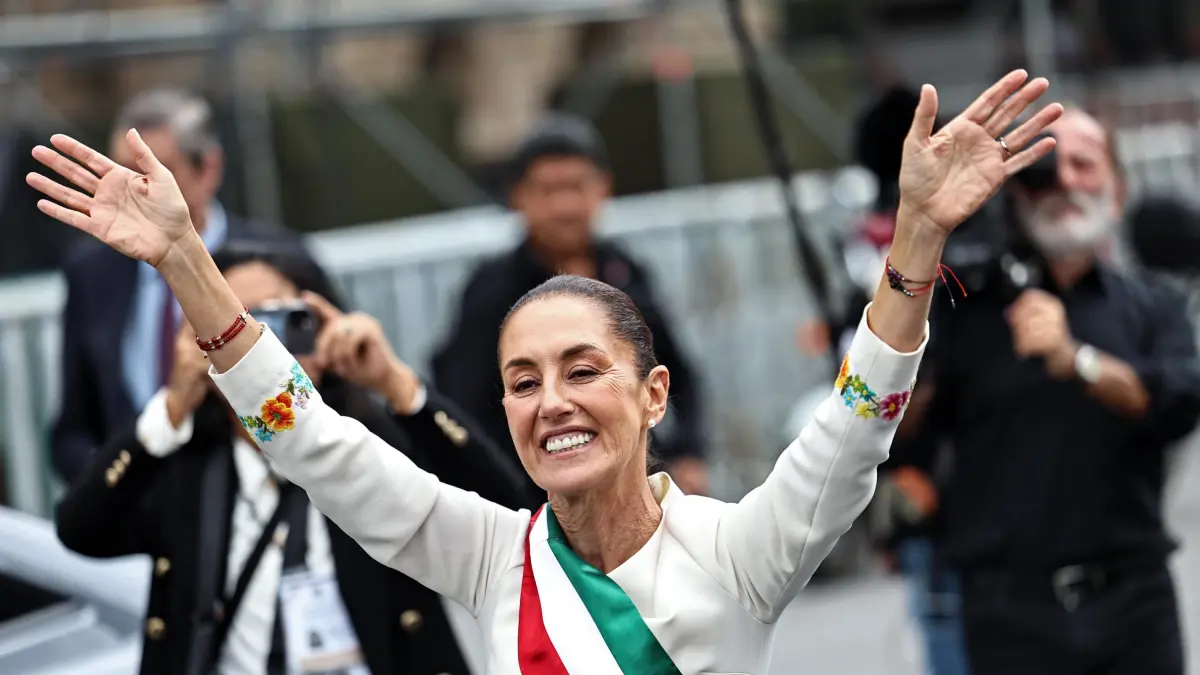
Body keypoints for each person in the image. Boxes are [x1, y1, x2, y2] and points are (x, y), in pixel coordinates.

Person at [27, 70, 1061, 673]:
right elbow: (309, 436)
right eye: (522, 382)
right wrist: (185, 257)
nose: (550, 401)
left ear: (654, 393)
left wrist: (917, 236)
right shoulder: (489, 555)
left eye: (581, 369)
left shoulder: (743, 547)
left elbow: (857, 419)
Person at [55, 245, 532, 675]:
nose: (254, 345)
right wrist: (172, 408)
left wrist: (394, 384)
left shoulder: (372, 448)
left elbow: (507, 510)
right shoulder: (186, 466)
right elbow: (82, 529)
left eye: (282, 321)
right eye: (230, 326)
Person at [893, 105, 1200, 675]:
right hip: (1006, 614)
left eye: (1084, 164)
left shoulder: (1152, 308)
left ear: (1117, 191)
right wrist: (912, 276)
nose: (1064, 182)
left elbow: (1177, 403)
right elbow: (894, 431)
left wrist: (1076, 361)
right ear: (1014, 188)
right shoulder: (963, 308)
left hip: (1135, 604)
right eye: (1046, 165)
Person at [433, 112, 710, 497]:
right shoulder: (492, 290)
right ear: (518, 196)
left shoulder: (624, 271)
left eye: (577, 187)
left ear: (603, 188)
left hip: (632, 481)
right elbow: (464, 405)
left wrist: (689, 453)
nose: (564, 206)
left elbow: (676, 368)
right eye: (548, 191)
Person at [50, 88, 308, 482]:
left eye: (151, 176)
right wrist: (110, 483)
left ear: (208, 169)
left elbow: (325, 394)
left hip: (254, 490)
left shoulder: (277, 262)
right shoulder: (91, 272)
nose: (133, 192)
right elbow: (73, 428)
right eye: (120, 174)